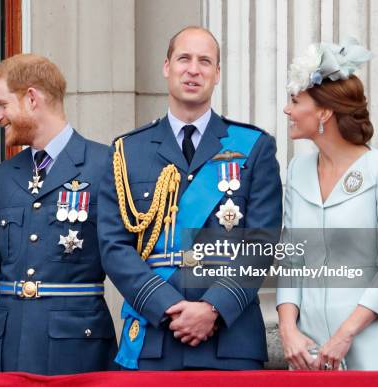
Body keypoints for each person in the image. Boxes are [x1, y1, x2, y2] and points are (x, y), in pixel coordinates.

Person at [98, 26, 282, 370]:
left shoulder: (254, 146)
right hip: (155, 337)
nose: (193, 69)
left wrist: (213, 307)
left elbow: (262, 242)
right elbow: (113, 246)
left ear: (216, 74)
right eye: (184, 58)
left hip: (231, 339)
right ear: (167, 66)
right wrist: (167, 307)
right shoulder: (127, 151)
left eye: (205, 61)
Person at [276, 39, 378, 370]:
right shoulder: (297, 170)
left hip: (370, 349)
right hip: (308, 354)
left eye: (295, 101)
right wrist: (288, 329)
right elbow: (291, 261)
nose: (287, 110)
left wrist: (345, 335)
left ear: (324, 112)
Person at [0, 54, 117, 375]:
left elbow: (129, 257)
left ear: (32, 99)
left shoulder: (106, 165)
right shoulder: (0, 178)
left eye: (3, 105)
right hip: (10, 342)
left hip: (76, 346)